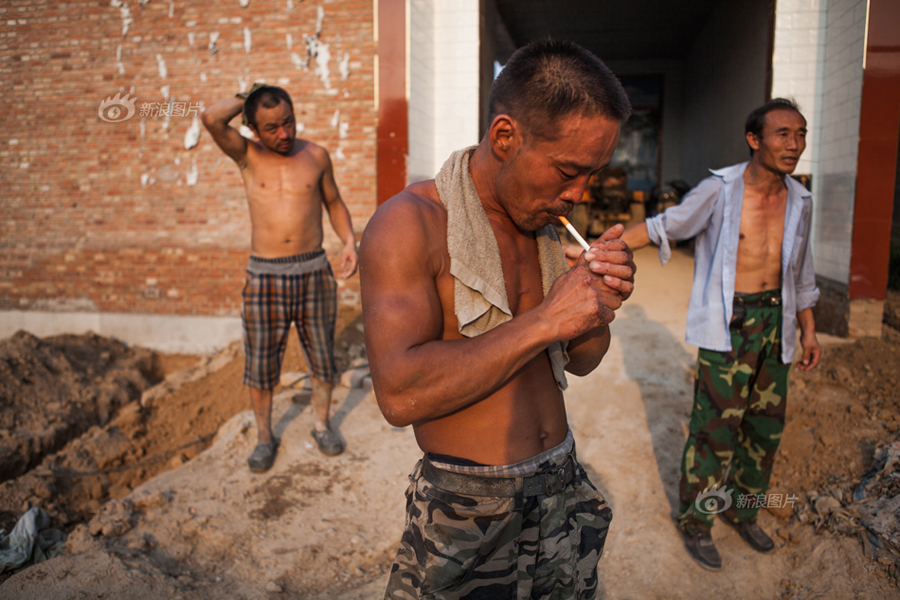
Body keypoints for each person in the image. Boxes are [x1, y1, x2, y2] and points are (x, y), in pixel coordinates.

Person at [360, 40, 634, 599]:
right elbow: (398, 394)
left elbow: (581, 362)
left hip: (562, 486)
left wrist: (596, 306)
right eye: (567, 170)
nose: (578, 195)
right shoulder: (410, 224)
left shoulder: (544, 227)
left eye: (592, 174)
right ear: (505, 136)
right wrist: (546, 319)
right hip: (468, 509)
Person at [621, 98, 821, 571]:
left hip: (779, 322)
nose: (794, 145)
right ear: (755, 140)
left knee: (764, 429)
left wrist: (808, 331)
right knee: (715, 430)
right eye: (783, 134)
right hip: (731, 323)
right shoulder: (721, 190)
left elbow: (802, 272)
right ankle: (696, 522)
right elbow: (665, 226)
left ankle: (743, 509)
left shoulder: (802, 199)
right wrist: (601, 247)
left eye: (801, 134)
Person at [201, 85, 358, 471]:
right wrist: (249, 94)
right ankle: (265, 438)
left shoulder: (316, 155)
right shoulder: (246, 154)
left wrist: (349, 240)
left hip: (313, 272)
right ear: (253, 128)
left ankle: (322, 425)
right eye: (271, 127)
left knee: (322, 356)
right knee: (261, 364)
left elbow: (334, 201)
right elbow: (210, 118)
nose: (284, 134)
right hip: (265, 276)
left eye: (288, 122)